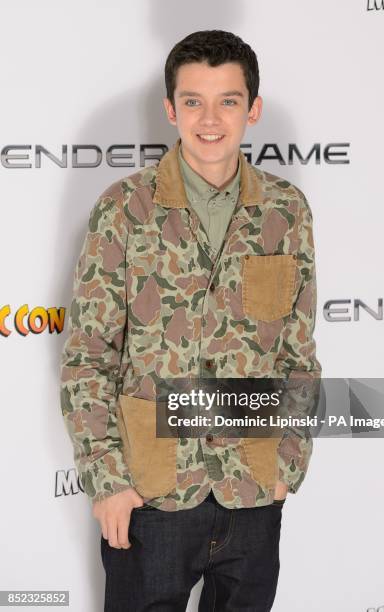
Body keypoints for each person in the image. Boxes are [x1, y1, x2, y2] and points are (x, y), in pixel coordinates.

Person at [60, 29, 321, 612]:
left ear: (253, 108)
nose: (210, 119)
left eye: (228, 100)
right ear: (170, 108)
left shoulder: (286, 211)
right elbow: (88, 355)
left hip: (252, 489)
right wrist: (109, 482)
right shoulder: (125, 208)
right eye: (194, 101)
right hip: (151, 495)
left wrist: (286, 469)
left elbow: (297, 359)